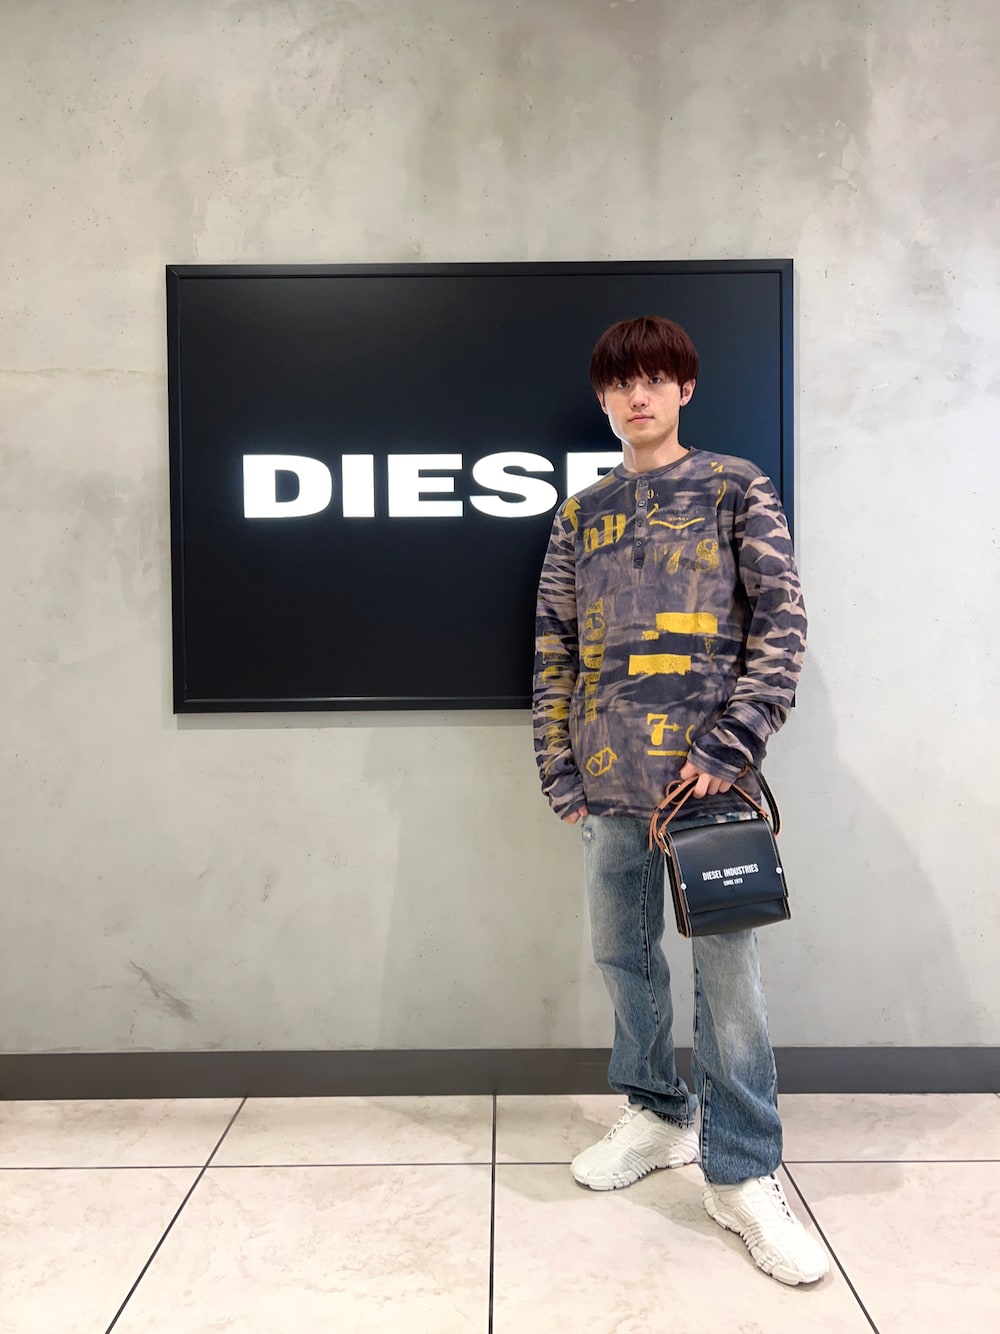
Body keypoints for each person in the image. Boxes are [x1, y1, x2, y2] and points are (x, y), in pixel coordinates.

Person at [532, 315, 828, 1286]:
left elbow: (782, 625)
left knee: (728, 982)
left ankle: (741, 1173)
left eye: (655, 378)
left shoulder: (735, 487)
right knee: (621, 955)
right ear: (603, 397)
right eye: (622, 382)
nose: (638, 396)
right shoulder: (581, 516)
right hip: (607, 786)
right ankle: (658, 1111)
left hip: (708, 787)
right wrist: (559, 771)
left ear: (684, 389)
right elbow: (554, 652)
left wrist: (730, 744)